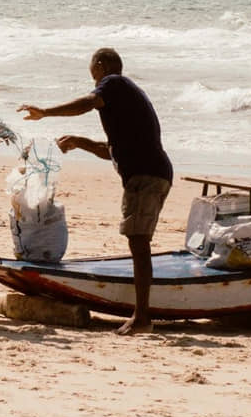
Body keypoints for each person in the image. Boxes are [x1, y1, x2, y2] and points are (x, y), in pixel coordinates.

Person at [17, 48, 172, 335]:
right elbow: (111, 150)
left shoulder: (114, 83)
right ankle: (141, 314)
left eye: (93, 73)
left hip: (146, 176)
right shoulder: (124, 96)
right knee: (138, 241)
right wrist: (79, 142)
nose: (94, 81)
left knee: (139, 243)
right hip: (151, 172)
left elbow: (87, 103)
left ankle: (142, 318)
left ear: (100, 66)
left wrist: (46, 112)